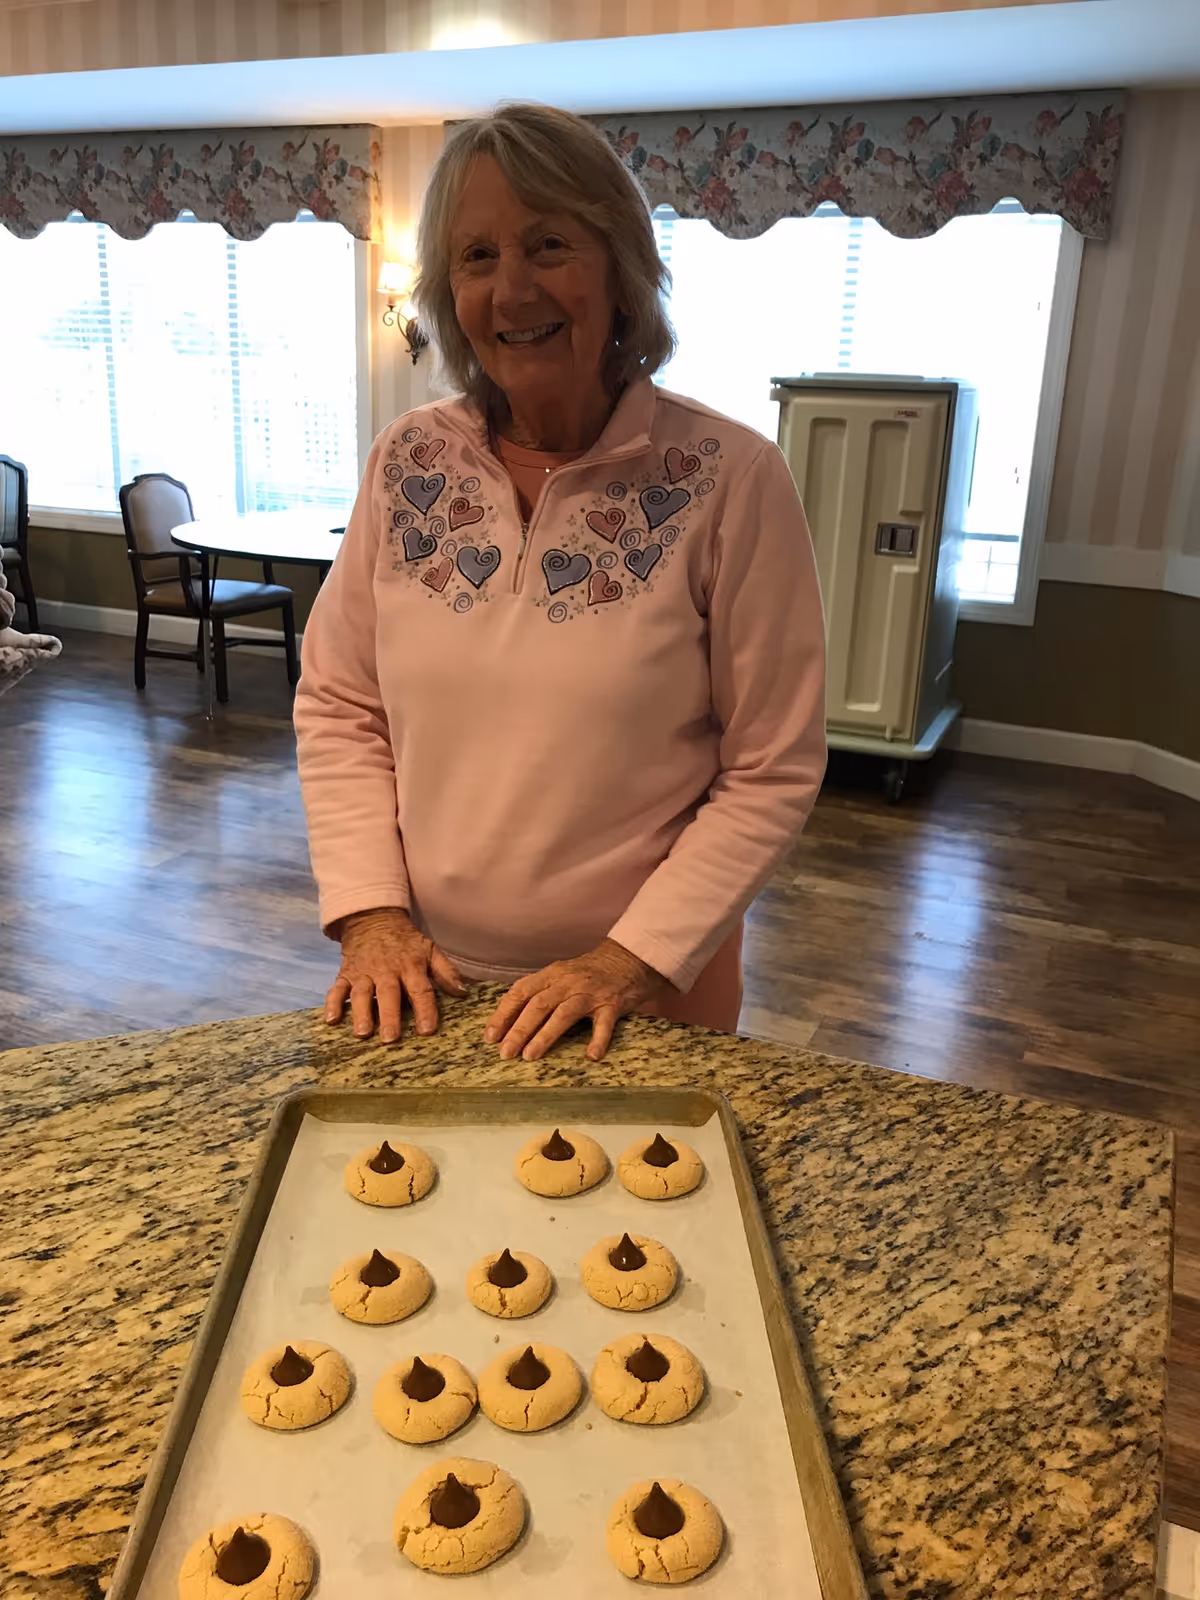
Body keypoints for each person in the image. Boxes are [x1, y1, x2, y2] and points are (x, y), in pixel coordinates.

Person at [294, 102, 826, 1066]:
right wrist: (371, 915)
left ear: (620, 270)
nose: (513, 290)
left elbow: (771, 768)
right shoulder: (407, 459)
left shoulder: (732, 476)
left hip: (641, 998)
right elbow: (339, 704)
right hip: (426, 982)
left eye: (549, 244)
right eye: (477, 256)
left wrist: (629, 962)